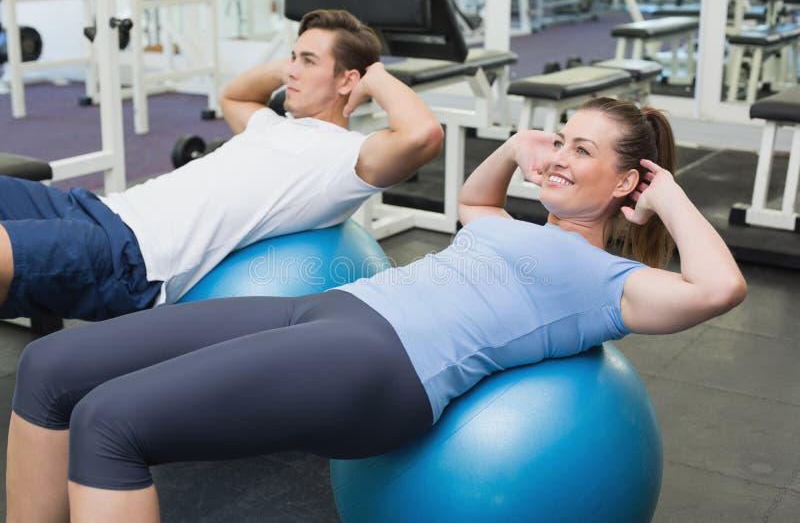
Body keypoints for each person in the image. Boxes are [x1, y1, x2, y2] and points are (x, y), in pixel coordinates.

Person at [5, 98, 746, 522]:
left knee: (110, 423)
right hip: (327, 311)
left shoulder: (603, 278)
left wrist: (667, 194)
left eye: (580, 151)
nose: (556, 155)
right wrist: (518, 147)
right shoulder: (510, 228)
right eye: (558, 135)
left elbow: (719, 289)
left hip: (382, 368)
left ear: (626, 183)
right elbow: (473, 201)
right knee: (50, 364)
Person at [0, 9, 443, 321]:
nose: (291, 70)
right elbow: (234, 94)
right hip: (98, 209)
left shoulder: (344, 158)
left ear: (350, 80)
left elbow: (424, 135)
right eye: (293, 57)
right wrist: (297, 64)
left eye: (308, 61)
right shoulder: (272, 125)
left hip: (132, 260)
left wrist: (375, 74)